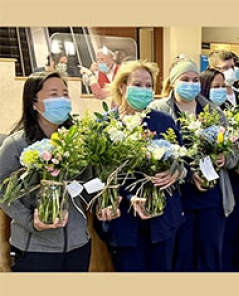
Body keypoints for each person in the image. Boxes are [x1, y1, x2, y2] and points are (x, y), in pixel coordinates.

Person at [94, 60, 186, 272]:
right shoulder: (105, 125)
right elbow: (98, 176)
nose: (144, 90)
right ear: (122, 87)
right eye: (138, 84)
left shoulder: (163, 121)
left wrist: (176, 172)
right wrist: (128, 198)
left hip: (163, 222)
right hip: (124, 223)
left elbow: (184, 163)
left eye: (148, 85)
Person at [149, 58, 238, 271]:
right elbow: (150, 153)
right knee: (182, 257)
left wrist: (225, 158)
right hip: (178, 197)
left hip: (212, 196)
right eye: (185, 79)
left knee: (210, 255)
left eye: (195, 79)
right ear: (173, 82)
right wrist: (187, 174)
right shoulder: (158, 111)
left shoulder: (214, 112)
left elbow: (234, 152)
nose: (191, 84)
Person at [0, 72, 92, 271]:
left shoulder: (78, 141)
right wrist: (30, 221)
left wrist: (103, 200)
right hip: (35, 248)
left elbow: (88, 183)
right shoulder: (15, 144)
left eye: (65, 94)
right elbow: (2, 191)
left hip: (79, 245)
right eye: (53, 94)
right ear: (34, 103)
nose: (62, 99)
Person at [199, 67, 239, 270]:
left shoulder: (229, 113)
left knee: (234, 232)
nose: (221, 90)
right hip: (214, 185)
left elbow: (235, 151)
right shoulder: (199, 118)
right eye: (216, 87)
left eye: (223, 86)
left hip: (235, 182)